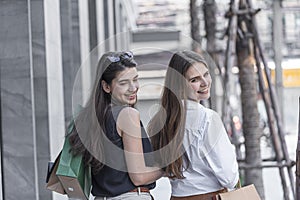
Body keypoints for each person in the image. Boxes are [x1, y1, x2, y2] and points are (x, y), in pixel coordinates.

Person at [68, 51, 164, 200]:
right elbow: (139, 177)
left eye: (135, 79)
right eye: (123, 83)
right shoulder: (127, 115)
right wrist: (168, 167)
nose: (133, 88)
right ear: (106, 86)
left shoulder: (88, 118)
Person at [148, 50, 239, 200]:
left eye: (206, 74)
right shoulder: (208, 118)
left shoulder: (160, 121)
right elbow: (229, 177)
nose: (205, 82)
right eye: (194, 80)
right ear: (180, 85)